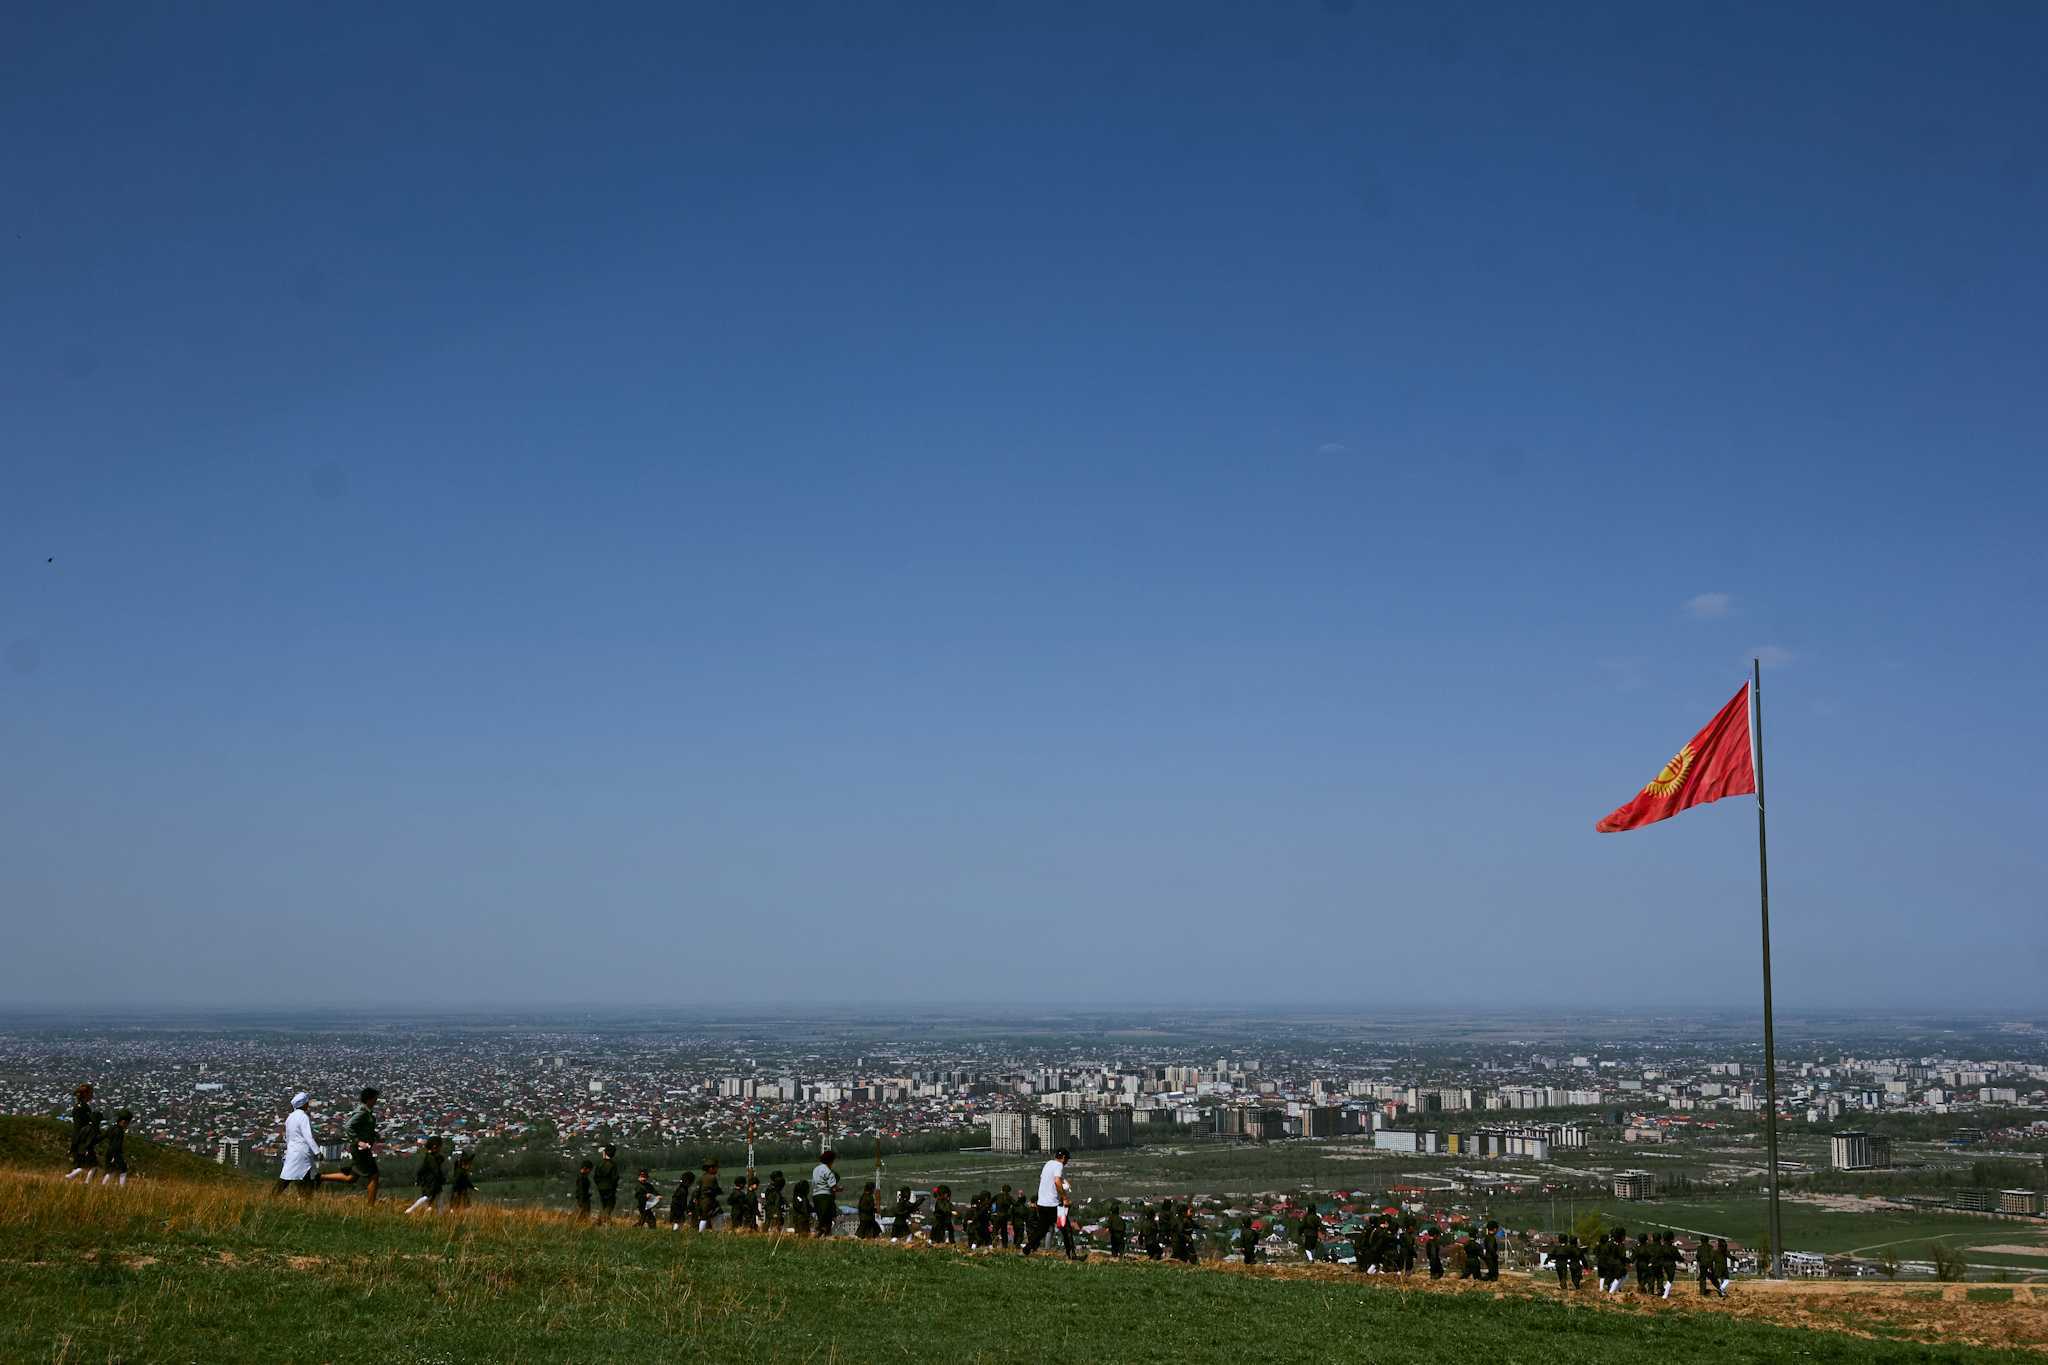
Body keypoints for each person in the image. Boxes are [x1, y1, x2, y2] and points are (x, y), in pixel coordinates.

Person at [1022, 1147, 1068, 1255]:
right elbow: (1057, 1181)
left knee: (1042, 1230)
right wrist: (1065, 1198)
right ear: (1064, 1158)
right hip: (1053, 1204)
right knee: (1065, 1227)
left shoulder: (1048, 1164)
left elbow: (1047, 1179)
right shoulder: (1059, 1165)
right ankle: (1072, 1254)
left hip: (1041, 1203)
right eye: (1067, 1160)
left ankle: (1027, 1249)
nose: (1067, 1162)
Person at [276, 1093, 321, 1196]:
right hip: (302, 1152)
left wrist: (289, 1149)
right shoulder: (303, 1117)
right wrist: (317, 1152)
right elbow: (308, 1136)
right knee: (304, 1178)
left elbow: (288, 1137)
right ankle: (305, 1201)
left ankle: (272, 1197)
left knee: (286, 1178)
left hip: (292, 1152)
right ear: (304, 1104)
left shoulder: (290, 1118)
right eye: (307, 1103)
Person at [343, 1088, 382, 1203]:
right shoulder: (362, 1111)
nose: (376, 1101)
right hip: (360, 1149)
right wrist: (357, 1141)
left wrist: (374, 1134)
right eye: (375, 1098)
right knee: (374, 1176)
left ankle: (320, 1178)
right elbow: (348, 1126)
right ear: (369, 1099)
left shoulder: (367, 1111)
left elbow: (363, 1127)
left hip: (363, 1148)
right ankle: (370, 1206)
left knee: (352, 1177)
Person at [63, 1083, 103, 1181]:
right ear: (86, 1094)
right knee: (91, 1164)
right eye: (91, 1093)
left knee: (86, 1164)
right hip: (83, 1138)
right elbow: (80, 1126)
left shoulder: (81, 1107)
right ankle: (74, 1178)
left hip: (81, 1137)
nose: (92, 1096)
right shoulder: (82, 1108)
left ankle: (77, 1179)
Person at [405, 1136, 446, 1215]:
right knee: (427, 1197)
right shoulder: (431, 1158)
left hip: (431, 1181)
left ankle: (440, 1214)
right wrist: (442, 1178)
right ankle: (410, 1210)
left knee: (438, 1196)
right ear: (435, 1147)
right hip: (431, 1181)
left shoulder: (430, 1156)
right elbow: (435, 1170)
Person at [810, 1150, 839, 1237]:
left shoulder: (815, 1169)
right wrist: (839, 1189)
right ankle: (824, 1232)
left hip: (816, 1196)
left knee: (821, 1216)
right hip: (825, 1196)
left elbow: (813, 1183)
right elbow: (833, 1187)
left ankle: (820, 1232)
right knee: (827, 1218)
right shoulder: (828, 1171)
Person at [593, 1145, 620, 1221]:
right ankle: (601, 1219)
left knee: (604, 1205)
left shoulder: (600, 1164)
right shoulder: (613, 1165)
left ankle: (604, 1221)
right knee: (610, 1205)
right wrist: (613, 1188)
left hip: (601, 1188)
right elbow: (615, 1178)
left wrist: (599, 1185)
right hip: (610, 1188)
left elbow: (595, 1177)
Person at [695, 1160, 723, 1231]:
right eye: (716, 1168)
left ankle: (701, 1232)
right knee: (718, 1213)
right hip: (710, 1201)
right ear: (711, 1168)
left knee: (704, 1217)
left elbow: (697, 1191)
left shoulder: (702, 1177)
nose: (717, 1170)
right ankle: (717, 1230)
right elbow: (716, 1190)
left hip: (702, 1201)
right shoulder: (712, 1178)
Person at [993, 1185, 1014, 1249]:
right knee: (1004, 1231)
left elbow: (990, 1202)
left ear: (1002, 1189)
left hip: (998, 1216)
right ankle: (1005, 1245)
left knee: (995, 1230)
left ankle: (995, 1240)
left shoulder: (997, 1196)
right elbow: (1015, 1204)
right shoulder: (1010, 1197)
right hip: (1005, 1217)